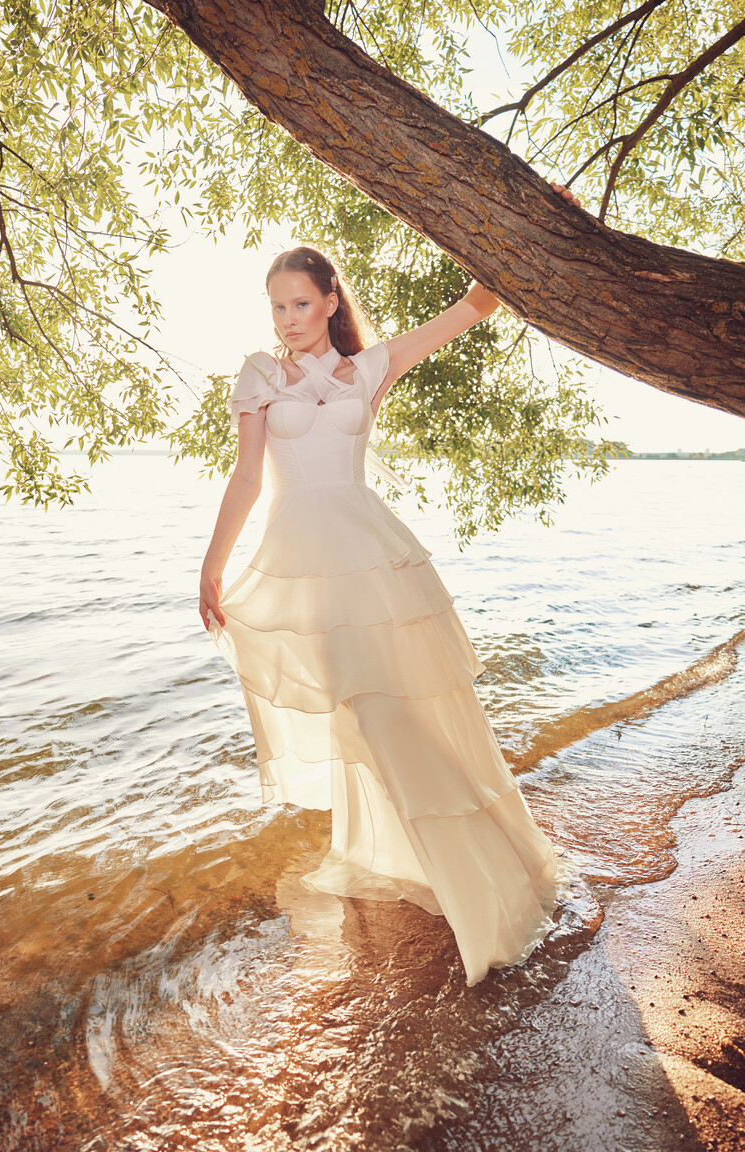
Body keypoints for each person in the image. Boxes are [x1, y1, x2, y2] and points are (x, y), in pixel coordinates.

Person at [200, 188, 582, 987]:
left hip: (373, 564)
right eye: (276, 306)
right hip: (306, 571)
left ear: (331, 299)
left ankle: (481, 878)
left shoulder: (368, 367)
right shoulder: (260, 376)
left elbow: (473, 306)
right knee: (368, 721)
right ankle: (436, 864)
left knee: (397, 715)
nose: (287, 318)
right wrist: (212, 565)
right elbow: (245, 477)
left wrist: (532, 216)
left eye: (300, 302)